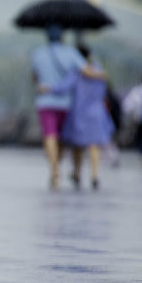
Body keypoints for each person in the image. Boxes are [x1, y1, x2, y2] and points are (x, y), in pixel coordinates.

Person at [43, 44, 113, 190]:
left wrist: (48, 88)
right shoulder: (99, 71)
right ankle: (94, 176)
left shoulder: (77, 72)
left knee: (78, 144)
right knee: (94, 145)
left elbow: (63, 87)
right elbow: (105, 90)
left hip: (80, 112)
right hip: (97, 111)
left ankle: (77, 173)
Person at [30, 24, 85, 189]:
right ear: (62, 37)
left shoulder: (38, 53)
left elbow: (34, 77)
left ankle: (54, 171)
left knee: (49, 136)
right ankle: (57, 167)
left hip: (45, 102)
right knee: (61, 138)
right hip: (66, 103)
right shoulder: (71, 53)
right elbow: (84, 70)